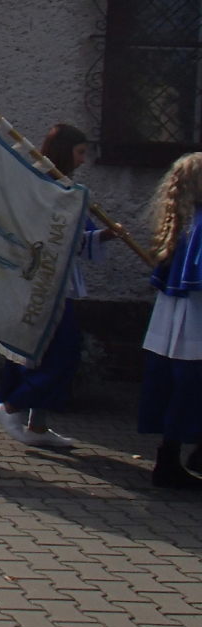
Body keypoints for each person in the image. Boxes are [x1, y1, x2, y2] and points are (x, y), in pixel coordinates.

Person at [0, 123, 115, 450]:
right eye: (80, 152)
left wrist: (102, 236)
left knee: (44, 353)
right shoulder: (41, 188)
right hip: (43, 285)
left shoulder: (68, 189)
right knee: (61, 352)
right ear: (64, 151)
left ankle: (37, 424)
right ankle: (12, 406)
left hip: (58, 283)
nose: (83, 159)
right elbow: (40, 237)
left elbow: (76, 240)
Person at [138, 152, 202, 491]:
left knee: (182, 388)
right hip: (193, 317)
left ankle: (178, 456)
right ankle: (172, 461)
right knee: (188, 389)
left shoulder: (180, 222)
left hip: (177, 317)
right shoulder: (197, 223)